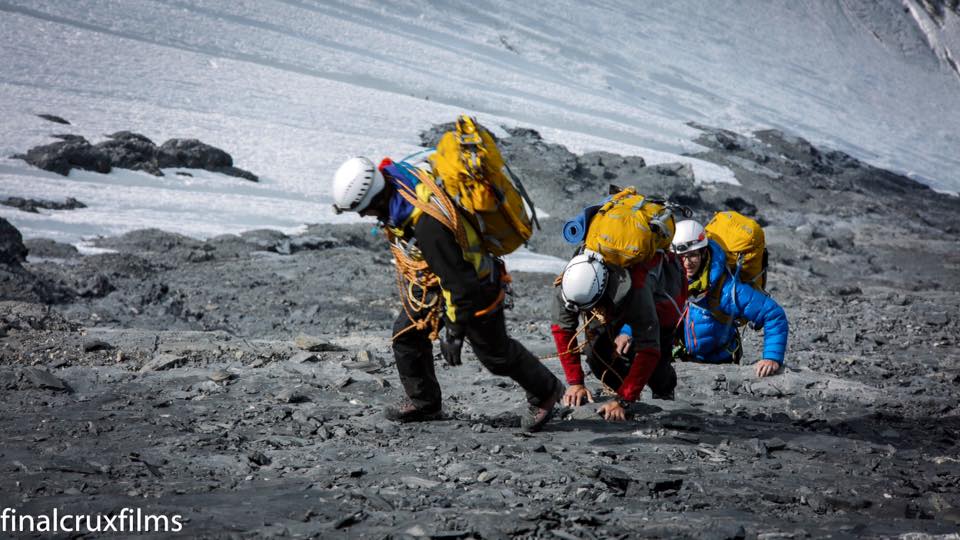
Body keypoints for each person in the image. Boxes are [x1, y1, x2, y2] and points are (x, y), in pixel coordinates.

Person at [331, 156, 564, 432]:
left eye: (363, 209)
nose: (362, 216)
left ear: (375, 198)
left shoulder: (428, 225)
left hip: (476, 283)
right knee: (407, 335)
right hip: (439, 279)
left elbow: (460, 286)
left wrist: (453, 333)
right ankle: (424, 402)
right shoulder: (399, 179)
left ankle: (545, 391)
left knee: (494, 353)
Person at [550, 249, 681, 421]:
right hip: (605, 301)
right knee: (595, 354)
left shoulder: (637, 288)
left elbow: (649, 349)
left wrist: (624, 400)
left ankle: (663, 391)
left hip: (658, 301)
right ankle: (624, 390)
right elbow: (562, 331)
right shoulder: (569, 285)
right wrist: (575, 383)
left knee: (657, 368)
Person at [671, 220, 788, 378]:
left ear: (703, 253)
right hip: (680, 358)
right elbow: (648, 309)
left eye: (692, 255)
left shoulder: (726, 289)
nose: (687, 263)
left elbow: (772, 314)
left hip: (720, 365)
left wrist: (772, 358)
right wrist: (627, 333)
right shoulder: (669, 279)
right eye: (681, 257)